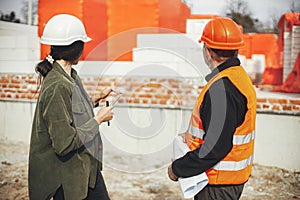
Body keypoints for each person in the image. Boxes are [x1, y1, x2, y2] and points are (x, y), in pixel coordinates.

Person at [168, 17, 256, 200]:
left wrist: (177, 169)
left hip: (216, 186)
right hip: (227, 182)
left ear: (208, 51)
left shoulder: (221, 90)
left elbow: (215, 148)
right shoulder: (238, 77)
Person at [28, 14, 114, 200]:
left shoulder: (69, 76)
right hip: (66, 178)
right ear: (77, 49)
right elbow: (64, 144)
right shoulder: (57, 85)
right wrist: (98, 119)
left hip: (84, 167)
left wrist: (95, 99)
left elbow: (68, 111)